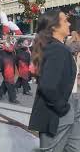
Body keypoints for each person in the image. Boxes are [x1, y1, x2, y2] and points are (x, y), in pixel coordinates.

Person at [29, 9, 79, 152]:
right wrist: (63, 108)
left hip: (69, 106)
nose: (69, 23)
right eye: (65, 20)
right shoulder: (57, 49)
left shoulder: (57, 47)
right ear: (54, 27)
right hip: (57, 114)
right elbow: (48, 86)